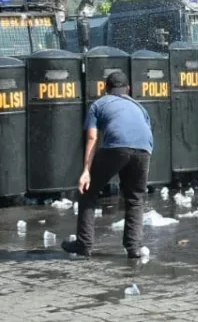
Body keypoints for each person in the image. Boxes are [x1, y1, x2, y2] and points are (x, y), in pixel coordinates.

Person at [62, 71, 152, 258]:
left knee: (88, 191)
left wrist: (86, 170)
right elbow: (146, 134)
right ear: (128, 89)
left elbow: (93, 137)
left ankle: (83, 244)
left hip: (116, 146)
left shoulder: (99, 104)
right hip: (144, 148)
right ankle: (134, 248)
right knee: (135, 198)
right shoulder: (140, 107)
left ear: (105, 88)